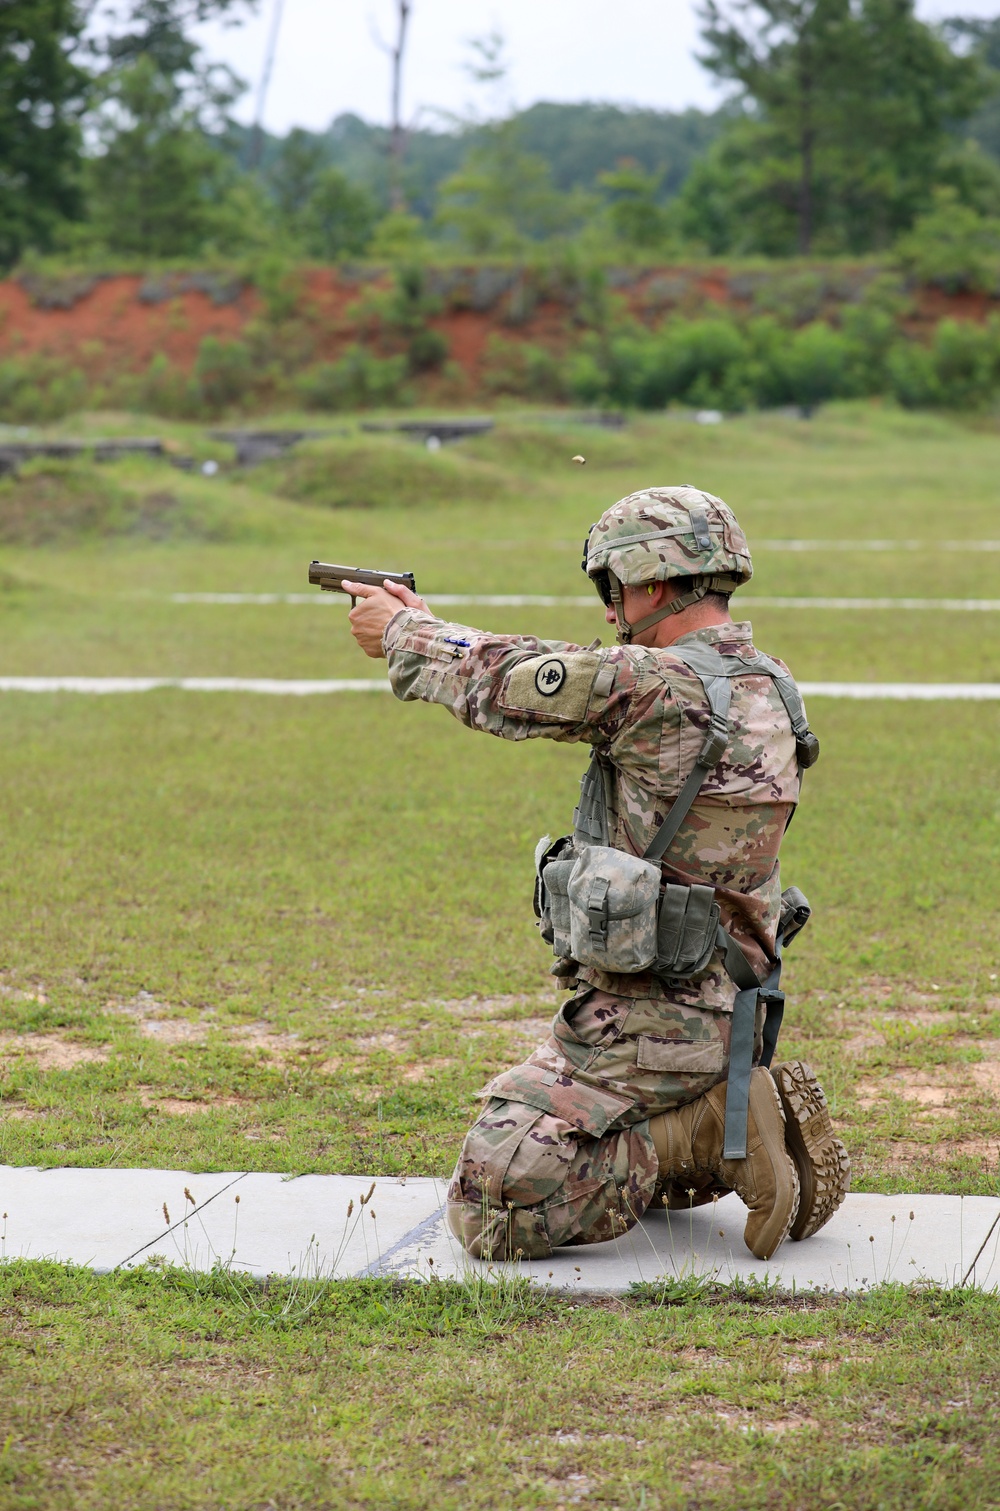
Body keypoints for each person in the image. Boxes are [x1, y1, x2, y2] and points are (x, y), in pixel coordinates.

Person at [343, 485, 850, 1263]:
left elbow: (505, 679)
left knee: (493, 1198)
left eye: (612, 589)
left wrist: (405, 631)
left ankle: (714, 1126)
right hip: (727, 1012)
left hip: (647, 1029)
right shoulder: (769, 683)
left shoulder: (658, 686)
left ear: (649, 583)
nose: (611, 612)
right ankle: (732, 1109)